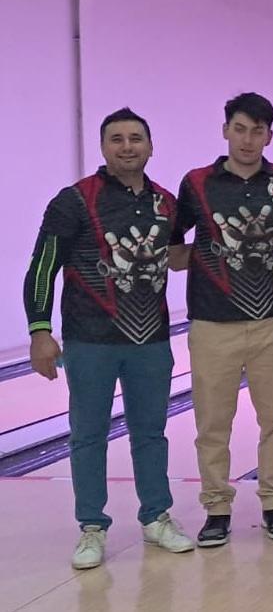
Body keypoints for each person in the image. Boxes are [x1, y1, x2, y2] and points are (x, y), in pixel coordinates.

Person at [24, 108, 194, 569]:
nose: (127, 146)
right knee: (89, 434)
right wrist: (40, 331)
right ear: (103, 148)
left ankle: (156, 517)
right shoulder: (74, 200)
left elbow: (175, 256)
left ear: (150, 146)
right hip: (89, 340)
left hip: (151, 340)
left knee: (150, 433)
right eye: (116, 139)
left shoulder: (165, 203)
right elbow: (42, 267)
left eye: (135, 138)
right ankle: (92, 527)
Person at [169, 92, 273, 546]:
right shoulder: (196, 183)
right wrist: (207, 257)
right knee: (213, 424)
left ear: (270, 135)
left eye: (257, 131)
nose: (248, 140)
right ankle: (216, 508)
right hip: (211, 323)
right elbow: (171, 246)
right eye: (240, 129)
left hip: (272, 322)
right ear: (225, 130)